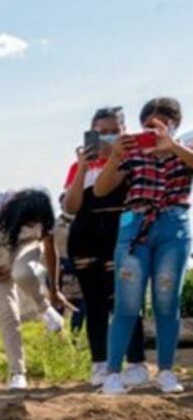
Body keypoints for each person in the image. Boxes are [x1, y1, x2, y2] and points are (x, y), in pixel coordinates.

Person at [94, 97, 193, 395]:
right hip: (135, 226)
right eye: (148, 125)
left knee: (167, 303)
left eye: (161, 124)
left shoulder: (185, 150)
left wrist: (172, 146)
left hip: (173, 227)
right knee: (127, 303)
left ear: (174, 124)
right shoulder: (134, 152)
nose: (154, 130)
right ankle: (112, 372)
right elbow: (100, 189)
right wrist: (114, 157)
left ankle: (165, 371)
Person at [63, 107, 148, 386]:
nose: (109, 137)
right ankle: (99, 364)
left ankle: (135, 362)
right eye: (102, 132)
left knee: (126, 300)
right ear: (92, 133)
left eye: (115, 131)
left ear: (124, 132)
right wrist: (83, 169)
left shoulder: (134, 162)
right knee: (94, 304)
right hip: (86, 235)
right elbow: (71, 207)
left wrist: (116, 158)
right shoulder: (79, 166)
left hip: (122, 233)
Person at [0, 189, 67, 389]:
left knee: (22, 272)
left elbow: (50, 249)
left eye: (34, 224)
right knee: (7, 314)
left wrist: (54, 289)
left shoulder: (44, 215)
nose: (31, 225)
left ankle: (45, 309)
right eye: (28, 222)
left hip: (27, 247)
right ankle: (17, 373)